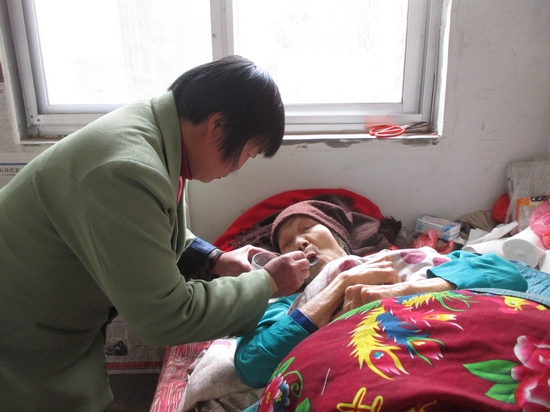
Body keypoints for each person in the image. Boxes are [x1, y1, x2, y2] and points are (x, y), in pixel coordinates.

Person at [0, 56, 310, 412]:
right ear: (217, 126)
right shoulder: (127, 169)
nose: (238, 167)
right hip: (18, 329)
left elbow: (145, 229)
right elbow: (166, 316)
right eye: (247, 153)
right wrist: (267, 283)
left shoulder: (159, 134)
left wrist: (214, 259)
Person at [234, 199, 529, 389]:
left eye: (308, 227)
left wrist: (406, 290)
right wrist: (340, 285)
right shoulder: (283, 306)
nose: (300, 241)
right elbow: (252, 366)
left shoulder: (401, 258)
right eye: (287, 244)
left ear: (337, 234)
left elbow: (510, 277)